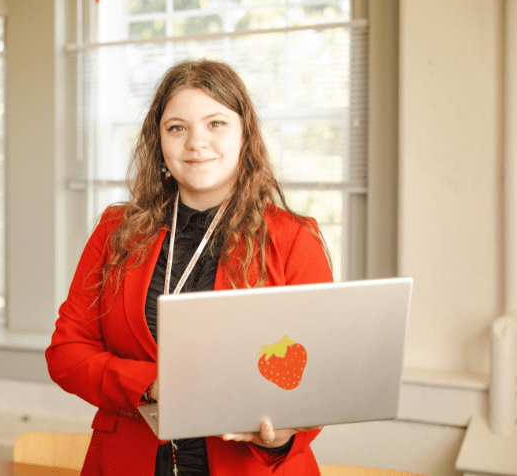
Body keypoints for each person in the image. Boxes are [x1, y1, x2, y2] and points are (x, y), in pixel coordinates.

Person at [46, 59, 333, 476]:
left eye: (215, 123)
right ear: (158, 139)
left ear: (244, 133)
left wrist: (284, 435)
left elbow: (322, 375)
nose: (196, 143)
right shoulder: (115, 232)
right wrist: (150, 384)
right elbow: (66, 354)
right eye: (177, 127)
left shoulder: (293, 239)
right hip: (129, 462)